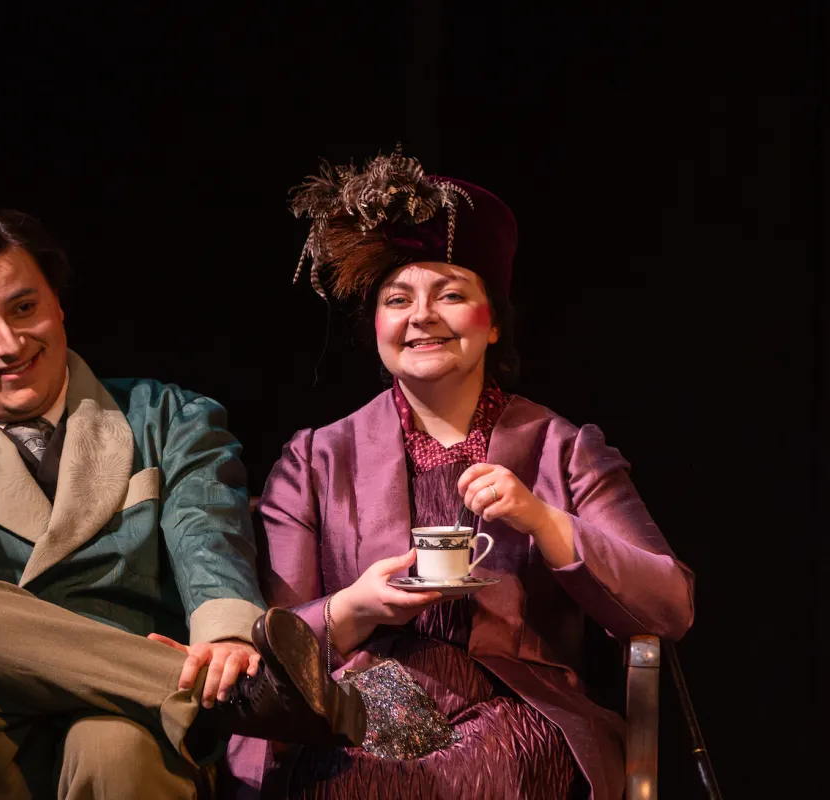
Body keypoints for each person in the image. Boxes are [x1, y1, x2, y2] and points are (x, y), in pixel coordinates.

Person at [0, 209, 363, 799]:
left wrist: (227, 639)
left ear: (58, 305)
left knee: (116, 750)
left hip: (136, 728)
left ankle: (206, 692)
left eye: (25, 309)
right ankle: (227, 701)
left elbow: (208, 535)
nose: (10, 344)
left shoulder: (164, 417)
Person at [225, 152, 695, 800]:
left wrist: (544, 520)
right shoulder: (316, 459)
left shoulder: (561, 448)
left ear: (493, 320)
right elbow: (268, 640)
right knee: (356, 778)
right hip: (364, 699)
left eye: (451, 294)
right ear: (378, 327)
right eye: (399, 299)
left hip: (517, 707)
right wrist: (354, 607)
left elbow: (668, 605)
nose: (423, 316)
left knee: (488, 775)